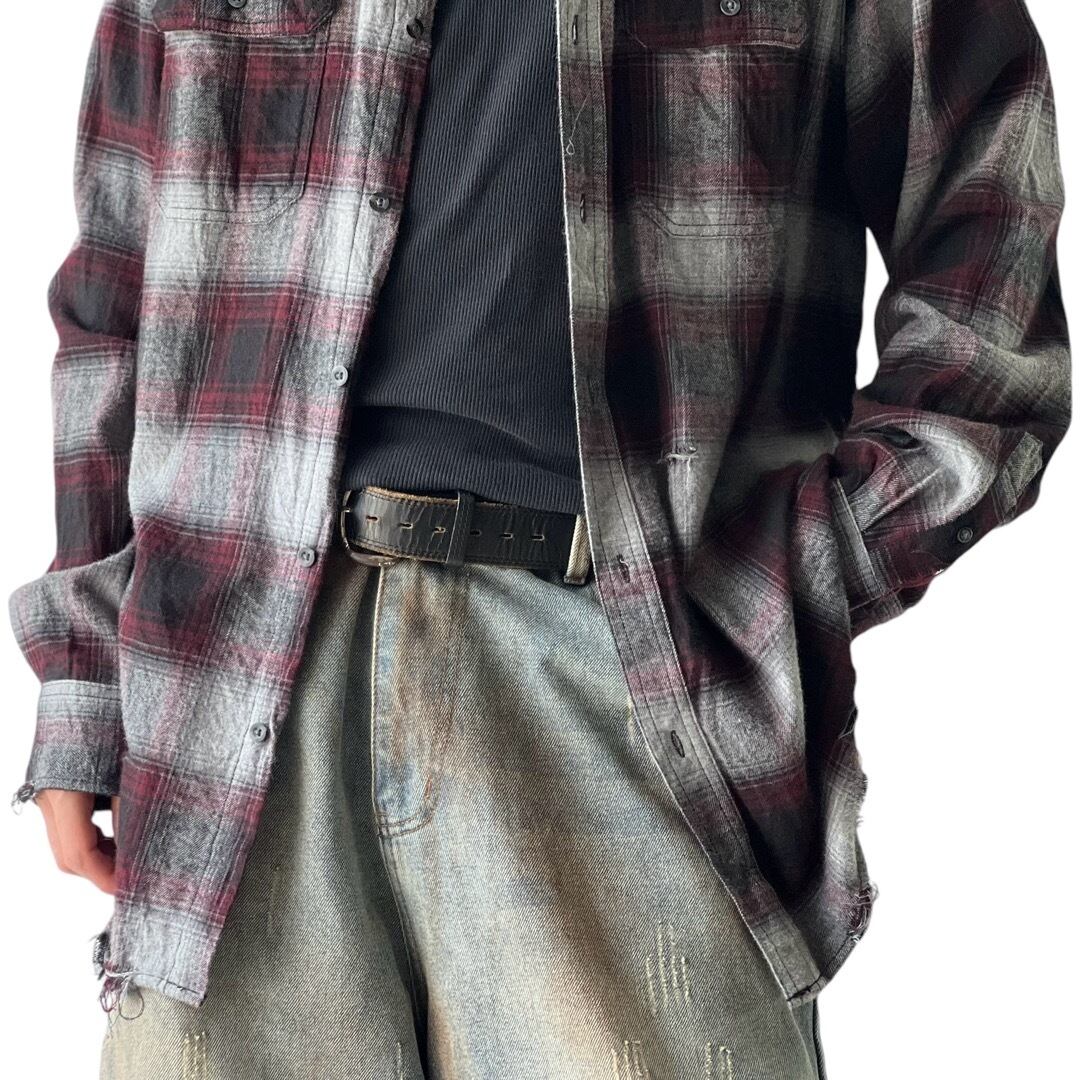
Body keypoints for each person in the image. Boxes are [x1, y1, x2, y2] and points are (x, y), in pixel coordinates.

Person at [8, 0, 1070, 1077]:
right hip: (229, 689)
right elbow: (115, 298)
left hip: (641, 684)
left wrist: (791, 580)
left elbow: (988, 267)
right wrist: (83, 691)